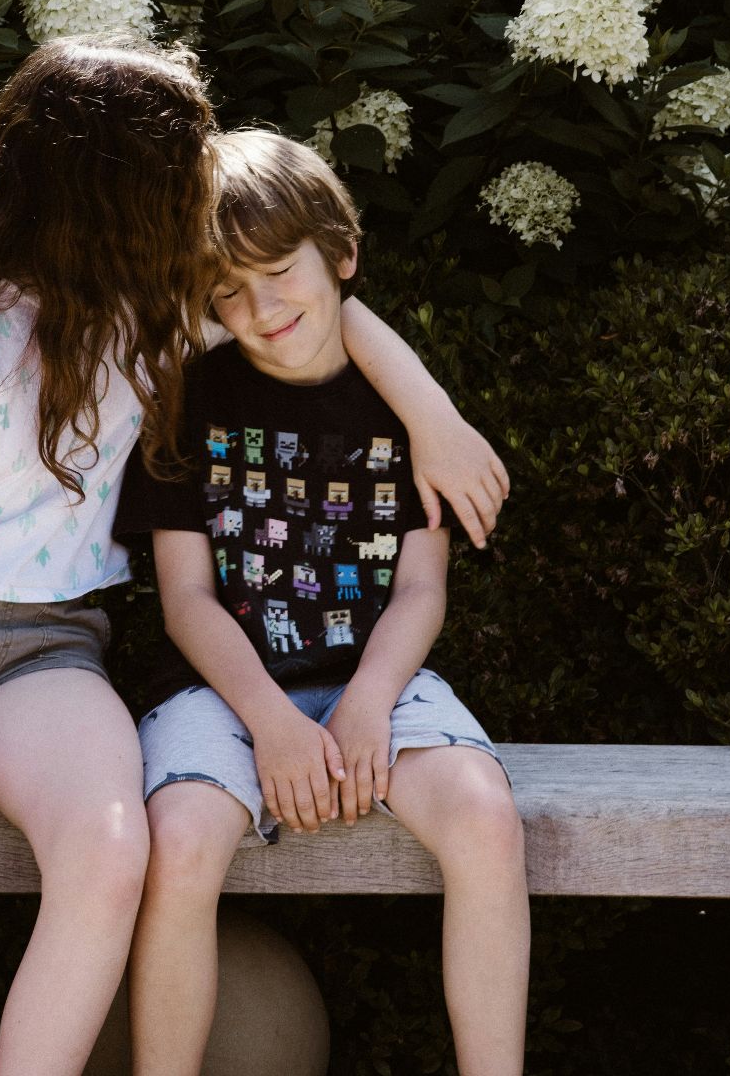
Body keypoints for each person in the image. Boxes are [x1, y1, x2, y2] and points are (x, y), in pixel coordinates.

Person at [0, 38, 509, 1076]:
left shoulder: (154, 325)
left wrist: (429, 416)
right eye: (182, 171)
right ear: (109, 199)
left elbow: (325, 303)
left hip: (47, 647)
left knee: (113, 849)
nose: (202, 186)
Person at [115, 129, 532, 1076]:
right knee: (177, 841)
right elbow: (186, 602)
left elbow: (422, 588)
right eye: (226, 291)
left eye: (278, 271)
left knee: (485, 817)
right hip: (222, 692)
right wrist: (271, 722)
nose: (260, 309)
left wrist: (369, 703)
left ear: (341, 255)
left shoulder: (405, 411)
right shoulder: (189, 402)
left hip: (377, 676)